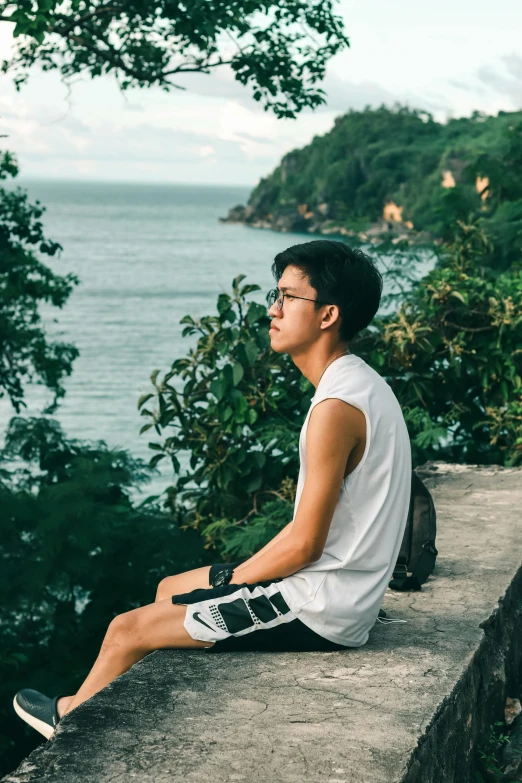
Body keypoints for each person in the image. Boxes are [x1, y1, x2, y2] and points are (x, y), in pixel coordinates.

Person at [13, 239, 412, 740]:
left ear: (328, 314)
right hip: (333, 587)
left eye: (289, 298)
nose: (273, 308)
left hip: (321, 607)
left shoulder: (335, 409)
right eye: (277, 294)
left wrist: (233, 584)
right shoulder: (361, 384)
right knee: (168, 591)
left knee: (126, 630)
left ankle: (70, 723)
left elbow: (306, 542)